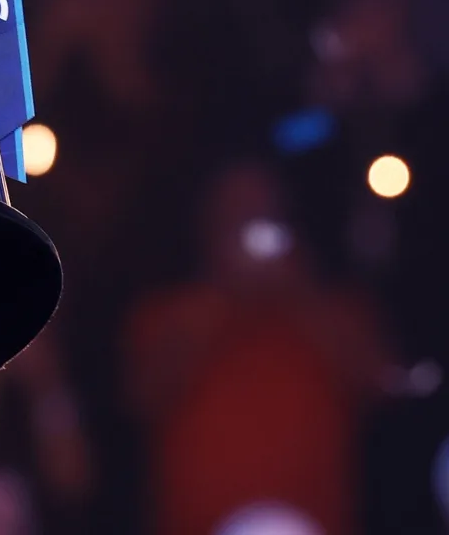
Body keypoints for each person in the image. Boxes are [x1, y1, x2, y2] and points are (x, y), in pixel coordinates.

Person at [122, 159, 393, 535]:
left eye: (263, 215)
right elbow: (143, 396)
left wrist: (299, 293)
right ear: (208, 224)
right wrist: (223, 294)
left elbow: (378, 385)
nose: (251, 232)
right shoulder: (166, 315)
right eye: (236, 215)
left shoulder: (338, 310)